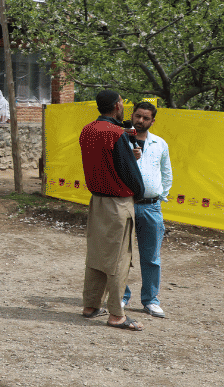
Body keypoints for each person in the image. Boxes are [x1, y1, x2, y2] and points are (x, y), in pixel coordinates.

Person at [78, 89, 145, 331]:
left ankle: (90, 305)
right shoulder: (116, 135)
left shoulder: (88, 130)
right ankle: (117, 314)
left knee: (96, 255)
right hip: (118, 202)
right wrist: (139, 191)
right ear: (117, 105)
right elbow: (129, 173)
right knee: (118, 259)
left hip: (97, 200)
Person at [121, 101, 172, 318]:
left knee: (151, 257)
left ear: (152, 121)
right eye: (137, 116)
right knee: (121, 254)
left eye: (145, 118)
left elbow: (167, 173)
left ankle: (150, 300)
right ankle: (120, 296)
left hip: (151, 207)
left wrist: (159, 196)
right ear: (132, 116)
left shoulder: (160, 144)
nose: (140, 121)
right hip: (124, 204)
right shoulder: (120, 141)